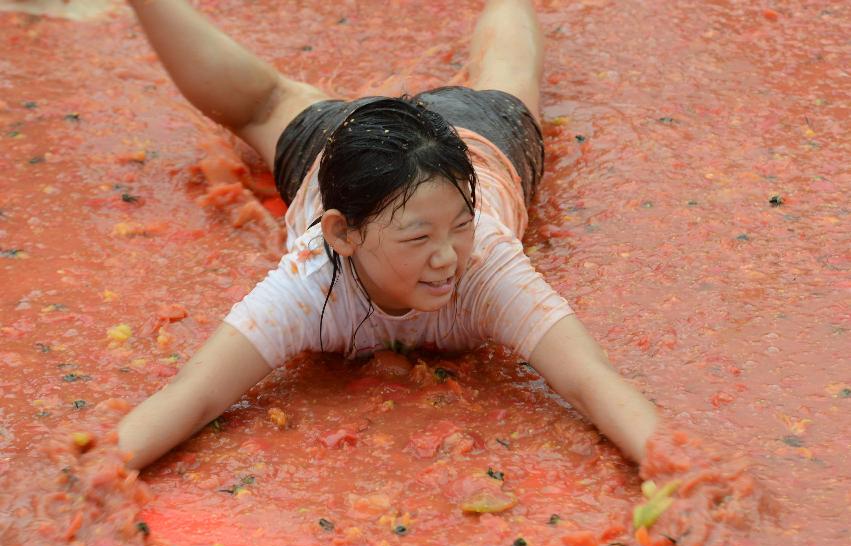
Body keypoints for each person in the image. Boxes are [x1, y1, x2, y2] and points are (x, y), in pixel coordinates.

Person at [118, 0, 659, 471]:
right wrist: (99, 469)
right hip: (347, 147)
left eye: (461, 226)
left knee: (510, 83)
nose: (448, 258)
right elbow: (195, 395)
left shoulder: (486, 263)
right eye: (418, 239)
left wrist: (683, 468)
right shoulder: (311, 277)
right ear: (341, 233)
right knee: (265, 103)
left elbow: (592, 381)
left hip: (475, 140)